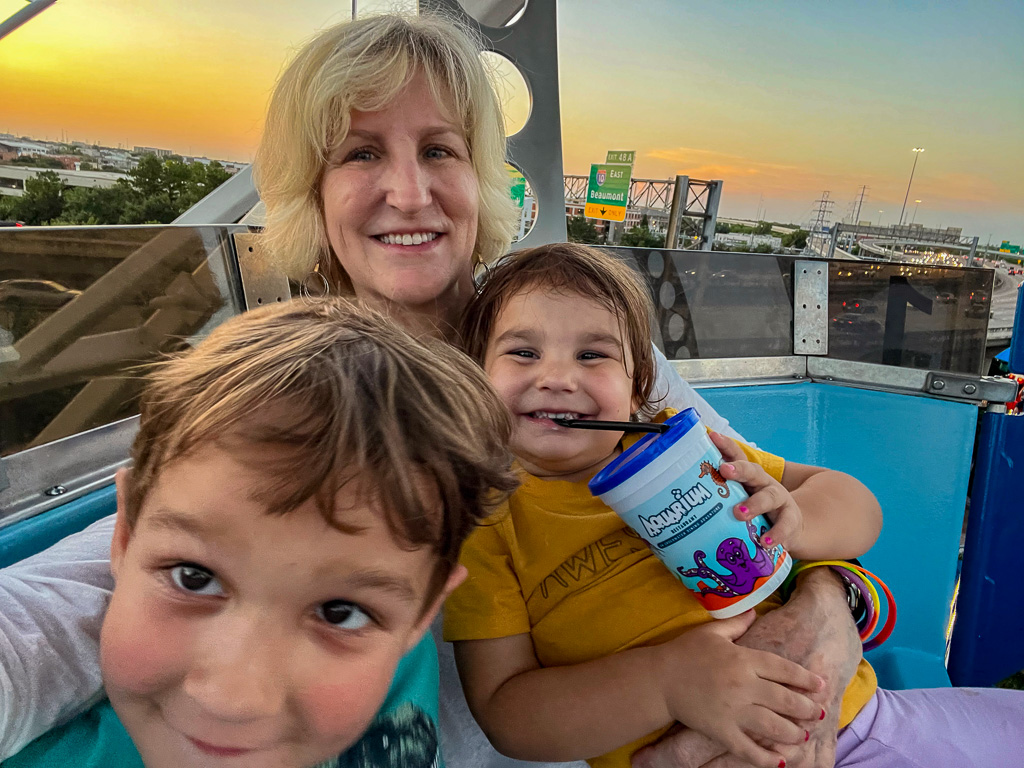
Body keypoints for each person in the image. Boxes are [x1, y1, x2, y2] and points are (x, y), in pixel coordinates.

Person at [0, 11, 870, 768]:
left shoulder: (587, 347)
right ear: (312, 189)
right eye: (362, 153)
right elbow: (85, 588)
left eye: (440, 151)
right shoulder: (307, 388)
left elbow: (744, 501)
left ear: (479, 178)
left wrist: (833, 605)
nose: (409, 192)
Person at [444, 243, 1024, 768]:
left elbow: (855, 502)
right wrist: (666, 683)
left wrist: (796, 524)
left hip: (854, 727)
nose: (556, 377)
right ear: (476, 379)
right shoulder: (485, 520)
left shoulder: (683, 446)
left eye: (593, 355)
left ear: (638, 385)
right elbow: (507, 712)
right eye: (522, 352)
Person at [1, 299, 520, 766]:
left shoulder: (403, 662)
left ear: (422, 615)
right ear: (124, 539)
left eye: (339, 612)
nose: (233, 697)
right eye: (193, 577)